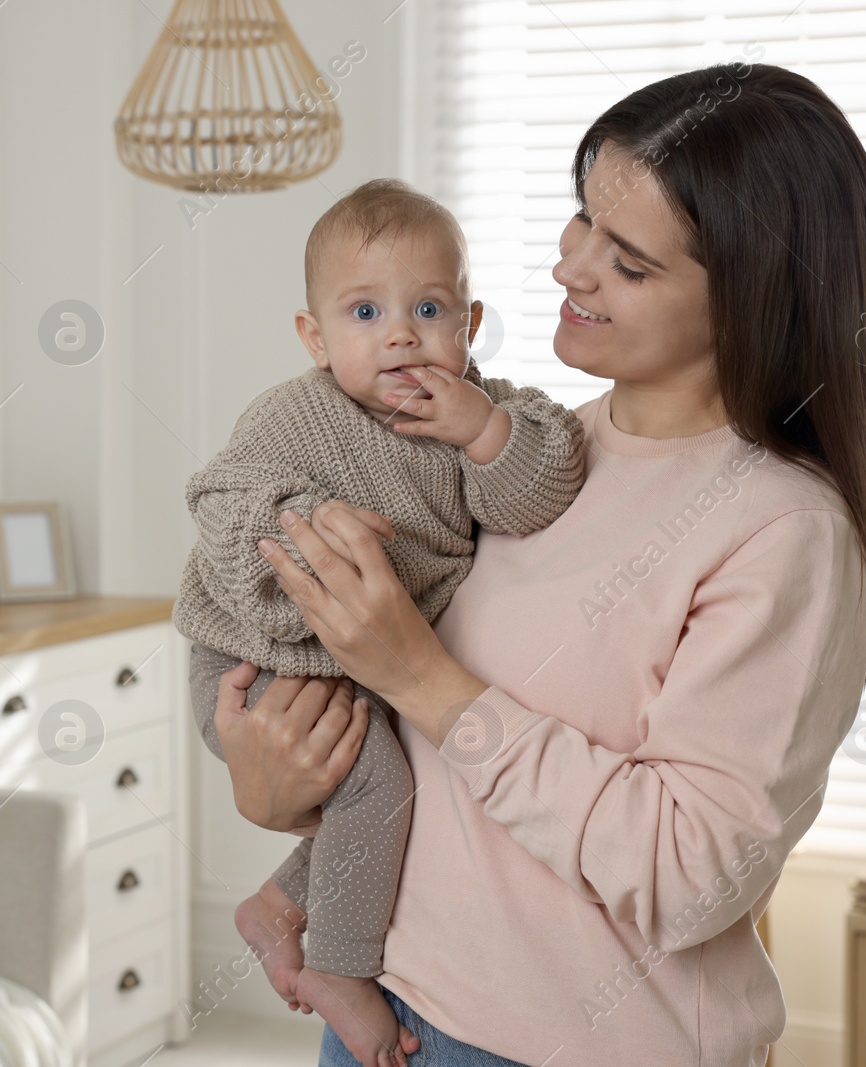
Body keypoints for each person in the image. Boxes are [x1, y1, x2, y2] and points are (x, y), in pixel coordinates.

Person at [210, 63, 866, 1066]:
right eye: (580, 220)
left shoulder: (779, 530)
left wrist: (417, 670)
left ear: (751, 299)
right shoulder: (516, 450)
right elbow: (437, 777)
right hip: (391, 1011)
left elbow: (689, 875)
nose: (569, 269)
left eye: (628, 264)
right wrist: (277, 786)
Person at [174, 180, 585, 1067]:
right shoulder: (295, 416)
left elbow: (538, 492)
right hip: (257, 660)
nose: (400, 333)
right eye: (365, 311)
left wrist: (486, 432)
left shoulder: (481, 408)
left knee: (413, 784)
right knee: (383, 786)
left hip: (364, 670)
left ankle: (279, 906)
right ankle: (340, 968)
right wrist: (307, 524)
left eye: (427, 308)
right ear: (315, 337)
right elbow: (219, 500)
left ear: (469, 325)